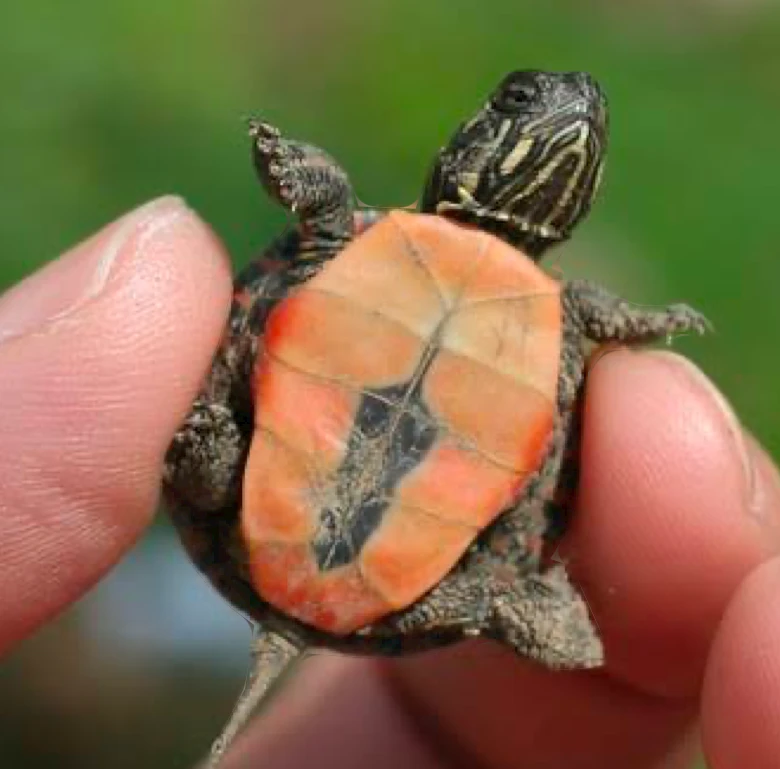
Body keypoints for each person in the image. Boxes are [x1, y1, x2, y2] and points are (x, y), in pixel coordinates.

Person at [1, 196, 778, 769]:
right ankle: (502, 602)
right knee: (501, 593)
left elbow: (319, 230)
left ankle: (503, 602)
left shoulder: (549, 305)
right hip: (388, 565)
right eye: (517, 106)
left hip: (263, 512)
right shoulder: (559, 311)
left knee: (223, 455)